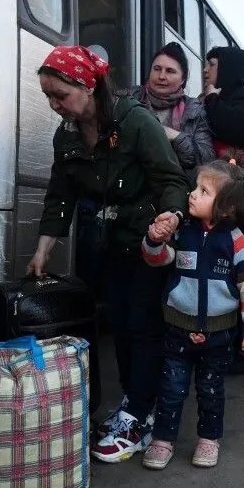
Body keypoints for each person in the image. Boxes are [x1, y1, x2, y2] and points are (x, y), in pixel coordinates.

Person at [27, 45, 190, 463]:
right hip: (110, 242)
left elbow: (171, 178)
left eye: (60, 95)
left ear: (87, 85)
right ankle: (138, 404)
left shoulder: (134, 120)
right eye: (48, 96)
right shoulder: (66, 134)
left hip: (149, 240)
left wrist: (170, 218)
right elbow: (59, 197)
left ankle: (139, 412)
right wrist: (43, 249)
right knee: (117, 322)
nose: (54, 105)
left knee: (142, 324)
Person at [140, 156, 244, 470]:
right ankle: (162, 440)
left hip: (219, 335)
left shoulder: (238, 243)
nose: (192, 194)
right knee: (170, 388)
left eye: (203, 191)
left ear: (227, 207)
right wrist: (154, 241)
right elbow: (158, 260)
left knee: (210, 390)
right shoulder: (184, 232)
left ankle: (209, 439)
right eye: (195, 187)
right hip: (177, 329)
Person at [201, 46, 244, 376]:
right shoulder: (230, 96)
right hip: (230, 196)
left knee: (240, 274)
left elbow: (236, 128)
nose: (206, 70)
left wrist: (212, 100)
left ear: (227, 68)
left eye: (212, 64)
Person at [125, 42, 215, 185]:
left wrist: (175, 136)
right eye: (157, 69)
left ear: (183, 79)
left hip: (175, 191)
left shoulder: (195, 110)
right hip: (130, 188)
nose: (161, 76)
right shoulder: (129, 99)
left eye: (170, 71)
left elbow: (205, 159)